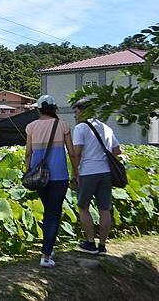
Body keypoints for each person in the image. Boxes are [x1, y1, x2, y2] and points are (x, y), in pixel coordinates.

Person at [25, 95, 78, 268]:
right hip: (59, 176)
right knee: (53, 213)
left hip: (39, 177)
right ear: (55, 108)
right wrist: (76, 173)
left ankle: (48, 247)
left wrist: (27, 171)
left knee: (49, 211)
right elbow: (72, 152)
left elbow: (28, 153)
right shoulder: (63, 125)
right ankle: (46, 255)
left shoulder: (31, 127)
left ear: (39, 109)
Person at [72, 97, 122, 256]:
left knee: (83, 207)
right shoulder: (106, 128)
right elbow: (117, 151)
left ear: (81, 110)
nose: (75, 115)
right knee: (104, 209)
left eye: (76, 111)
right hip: (106, 173)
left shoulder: (81, 128)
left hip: (88, 172)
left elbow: (77, 153)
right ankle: (102, 246)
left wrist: (75, 174)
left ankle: (90, 242)